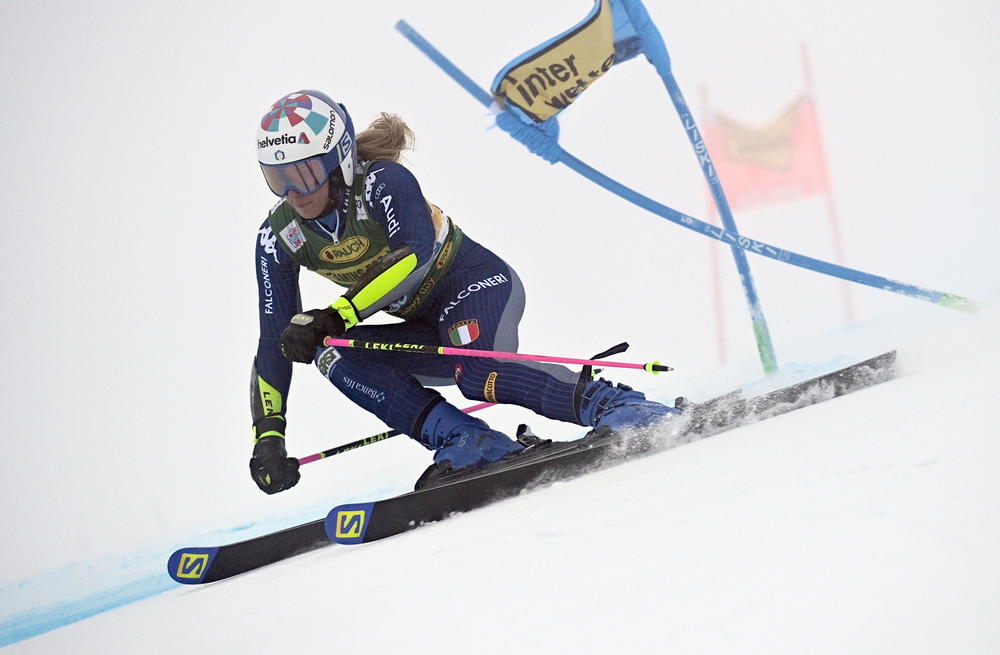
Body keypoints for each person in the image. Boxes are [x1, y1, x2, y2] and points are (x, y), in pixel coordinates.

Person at [249, 90, 674, 494]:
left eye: (304, 174)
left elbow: (411, 256)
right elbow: (274, 339)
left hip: (475, 287)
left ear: (338, 160)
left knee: (473, 375)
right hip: (424, 326)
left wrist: (339, 314)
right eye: (277, 178)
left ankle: (613, 405)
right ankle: (468, 440)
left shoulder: (382, 181)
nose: (293, 193)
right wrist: (268, 433)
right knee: (332, 351)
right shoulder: (277, 236)